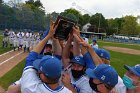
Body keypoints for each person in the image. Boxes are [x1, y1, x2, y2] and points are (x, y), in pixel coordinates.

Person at [18, 21, 72, 93]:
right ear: (59, 75)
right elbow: (58, 55)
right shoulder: (68, 92)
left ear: (43, 76)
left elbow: (32, 56)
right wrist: (55, 39)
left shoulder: (30, 88)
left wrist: (48, 35)